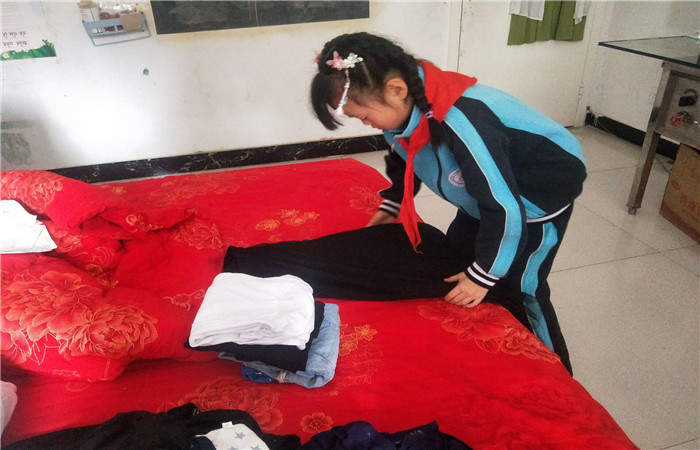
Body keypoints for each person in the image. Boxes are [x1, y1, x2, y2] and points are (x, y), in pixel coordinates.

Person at [224, 32, 586, 374]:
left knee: (520, 287)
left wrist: (483, 276)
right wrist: (393, 203)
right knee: (454, 261)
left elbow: (504, 207)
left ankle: (557, 366)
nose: (367, 124)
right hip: (482, 200)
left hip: (531, 205)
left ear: (396, 90)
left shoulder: (463, 121)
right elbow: (408, 158)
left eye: (365, 116)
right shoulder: (403, 111)